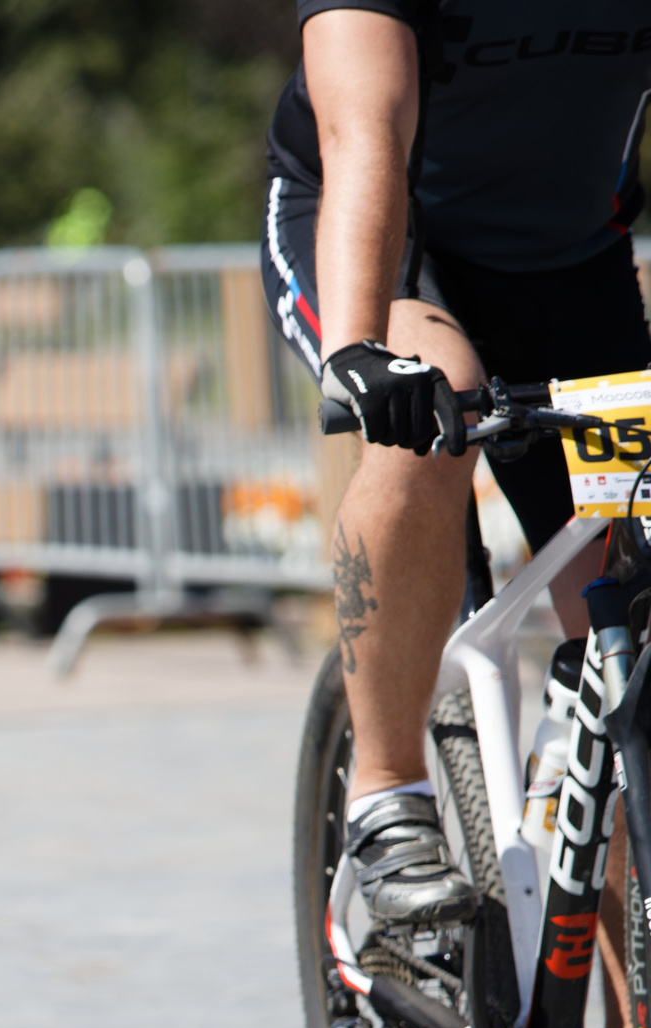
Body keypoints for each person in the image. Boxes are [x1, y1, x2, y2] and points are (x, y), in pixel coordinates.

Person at [264, 4, 651, 924]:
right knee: (432, 413)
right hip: (387, 238)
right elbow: (364, 132)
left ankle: (611, 989)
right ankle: (387, 790)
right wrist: (359, 350)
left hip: (570, 265)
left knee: (625, 642)